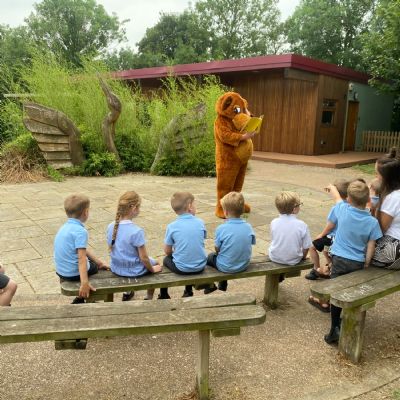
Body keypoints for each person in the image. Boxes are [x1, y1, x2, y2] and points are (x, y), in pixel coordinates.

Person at [322, 181, 382, 344]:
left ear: (348, 199)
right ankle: (347, 320)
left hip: (339, 259)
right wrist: (366, 262)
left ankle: (335, 327)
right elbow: (371, 245)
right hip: (357, 262)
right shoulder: (372, 222)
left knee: (336, 291)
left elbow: (336, 197)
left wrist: (332, 187)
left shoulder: (343, 210)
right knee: (351, 290)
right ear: (367, 200)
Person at [107, 191, 162, 301]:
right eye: (139, 207)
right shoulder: (136, 231)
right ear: (133, 208)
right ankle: (149, 297)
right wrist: (152, 269)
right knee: (157, 263)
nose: (139, 210)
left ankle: (127, 292)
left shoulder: (111, 226)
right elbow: (144, 258)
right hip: (134, 270)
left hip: (116, 267)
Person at [54, 194, 109, 304]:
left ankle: (79, 299)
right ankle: (88, 298)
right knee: (95, 268)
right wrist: (84, 283)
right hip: (73, 274)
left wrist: (99, 262)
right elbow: (82, 259)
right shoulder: (80, 231)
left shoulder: (64, 228)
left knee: (95, 264)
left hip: (61, 272)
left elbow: (81, 250)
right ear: (86, 212)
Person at [204, 192, 256, 294]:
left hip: (225, 266)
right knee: (228, 255)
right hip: (244, 265)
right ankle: (222, 284)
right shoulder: (248, 227)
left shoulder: (221, 228)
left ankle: (210, 285)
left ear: (226, 212)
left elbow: (217, 249)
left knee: (209, 258)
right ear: (242, 210)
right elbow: (251, 243)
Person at [159, 192, 207, 299]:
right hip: (200, 266)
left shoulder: (172, 226)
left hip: (181, 269)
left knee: (166, 260)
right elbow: (199, 241)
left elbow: (167, 251)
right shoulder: (200, 222)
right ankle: (188, 291)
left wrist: (174, 253)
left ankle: (163, 294)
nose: (196, 207)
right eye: (195, 204)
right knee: (190, 253)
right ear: (190, 206)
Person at [305, 179, 350, 283]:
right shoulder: (350, 206)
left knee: (312, 247)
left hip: (333, 237)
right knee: (326, 251)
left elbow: (330, 226)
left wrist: (321, 234)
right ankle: (329, 268)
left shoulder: (336, 208)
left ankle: (316, 269)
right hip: (342, 238)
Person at [372, 148, 400, 269]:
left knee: (349, 250)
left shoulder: (392, 198)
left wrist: (372, 205)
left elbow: (379, 231)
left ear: (386, 178)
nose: (375, 176)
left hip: (393, 250)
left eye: (377, 174)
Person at [268, 191, 312, 267]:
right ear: (294, 209)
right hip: (294, 260)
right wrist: (303, 257)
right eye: (299, 205)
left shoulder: (274, 222)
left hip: (274, 257)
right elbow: (306, 246)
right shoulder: (302, 225)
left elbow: (273, 239)